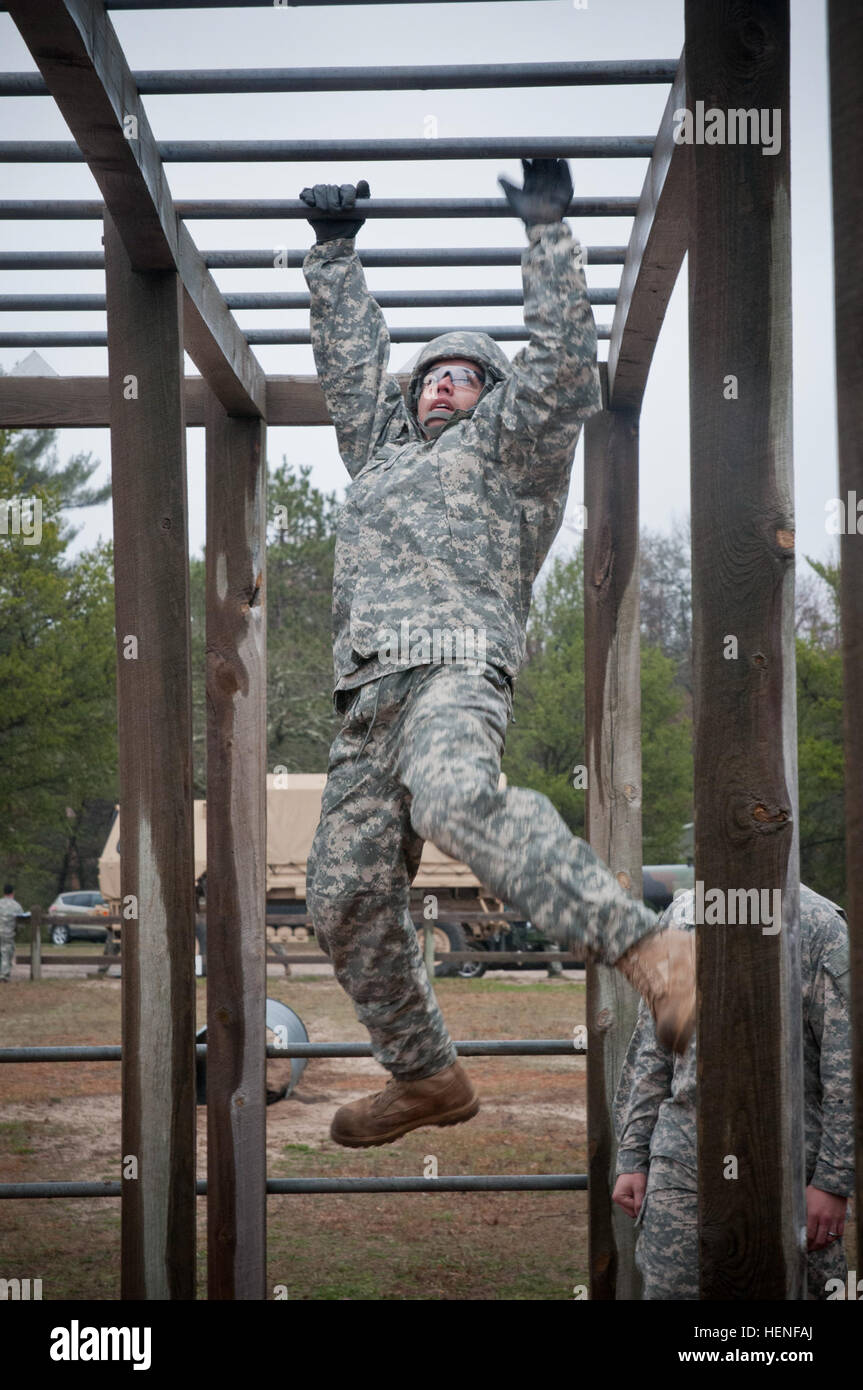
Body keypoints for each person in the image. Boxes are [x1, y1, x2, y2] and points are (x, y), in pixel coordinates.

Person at [300, 160, 696, 1149]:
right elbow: (355, 366)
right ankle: (425, 1075)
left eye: (465, 375)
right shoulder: (380, 454)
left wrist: (548, 235)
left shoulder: (511, 456)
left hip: (449, 672)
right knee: (340, 897)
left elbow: (563, 368)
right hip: (362, 705)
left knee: (452, 798)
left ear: (490, 397)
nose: (444, 383)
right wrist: (333, 256)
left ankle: (648, 951)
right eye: (432, 373)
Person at [612, 884, 853, 1300]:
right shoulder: (682, 916)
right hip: (683, 1159)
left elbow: (845, 1068)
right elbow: (652, 1048)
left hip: (791, 1167)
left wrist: (833, 1180)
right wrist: (633, 1155)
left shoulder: (817, 924)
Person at [0, 883, 25, 982]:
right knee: (6, 954)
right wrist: (16, 930)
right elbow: (21, 923)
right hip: (8, 934)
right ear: (12, 892)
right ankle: (3, 975)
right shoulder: (16, 906)